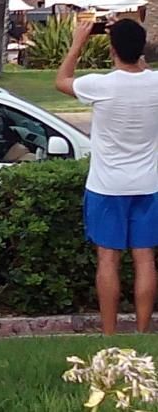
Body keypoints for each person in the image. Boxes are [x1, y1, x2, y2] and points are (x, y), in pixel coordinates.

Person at [56, 19, 158, 334]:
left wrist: (78, 42)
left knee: (108, 259)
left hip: (107, 186)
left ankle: (109, 334)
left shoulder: (100, 85)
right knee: (145, 259)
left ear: (112, 49)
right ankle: (142, 331)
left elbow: (62, 80)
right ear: (142, 48)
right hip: (149, 184)